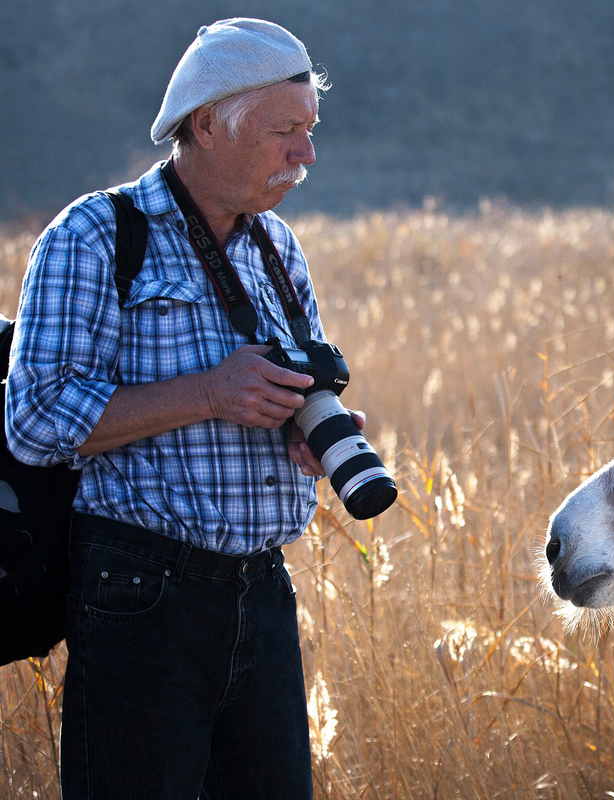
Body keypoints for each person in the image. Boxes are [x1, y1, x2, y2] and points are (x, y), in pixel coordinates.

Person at [5, 18, 345, 799]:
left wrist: (310, 429)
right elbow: (33, 418)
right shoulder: (93, 235)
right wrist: (210, 392)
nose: (306, 154)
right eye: (284, 131)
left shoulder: (278, 247)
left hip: (262, 592)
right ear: (205, 125)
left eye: (310, 130)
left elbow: (289, 383)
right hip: (139, 596)